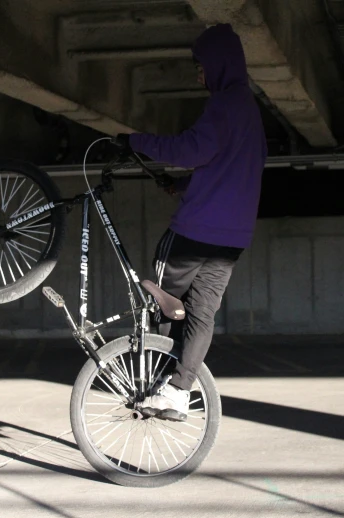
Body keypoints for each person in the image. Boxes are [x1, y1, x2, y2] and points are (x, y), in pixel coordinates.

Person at [112, 23, 267, 421]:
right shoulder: (250, 111)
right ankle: (179, 391)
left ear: (217, 64)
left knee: (159, 305)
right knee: (201, 315)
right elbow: (231, 169)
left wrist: (136, 140)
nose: (198, 74)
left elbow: (191, 149)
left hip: (193, 232)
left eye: (200, 66)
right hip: (231, 240)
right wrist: (181, 184)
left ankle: (152, 383)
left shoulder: (223, 104)